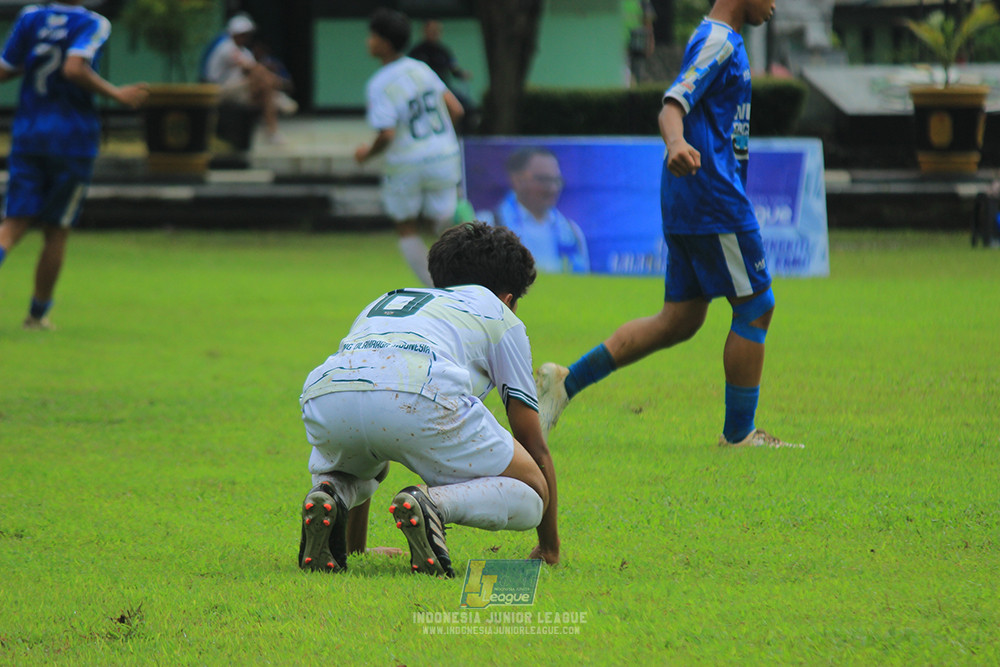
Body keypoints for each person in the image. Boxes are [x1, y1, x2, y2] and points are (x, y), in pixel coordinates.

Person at [535, 0, 803, 449]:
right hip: (712, 198)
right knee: (757, 306)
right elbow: (672, 104)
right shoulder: (718, 41)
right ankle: (739, 435)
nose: (775, 4)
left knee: (678, 320)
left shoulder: (720, 38)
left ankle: (564, 383)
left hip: (688, 197)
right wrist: (676, 142)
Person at [297, 222, 559, 577]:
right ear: (509, 299)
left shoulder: (388, 299)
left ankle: (333, 496)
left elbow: (369, 392)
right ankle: (432, 504)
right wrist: (548, 547)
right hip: (421, 393)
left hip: (326, 396)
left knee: (367, 450)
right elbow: (531, 441)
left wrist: (360, 549)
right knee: (533, 493)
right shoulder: (497, 312)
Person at [0, 0, 149, 331]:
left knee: (12, 225)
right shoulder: (92, 23)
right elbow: (73, 67)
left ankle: (38, 314)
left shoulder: (30, 18)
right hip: (72, 138)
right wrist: (117, 94)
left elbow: (5, 68)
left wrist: (36, 57)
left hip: (28, 131)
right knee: (57, 229)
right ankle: (37, 315)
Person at [355, 9, 464, 287]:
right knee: (445, 227)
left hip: (406, 162)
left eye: (373, 36)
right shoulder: (421, 69)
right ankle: (465, 283)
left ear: (384, 43)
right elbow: (456, 109)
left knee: (405, 226)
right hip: (444, 156)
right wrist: (437, 139)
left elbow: (387, 134)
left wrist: (366, 154)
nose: (368, 41)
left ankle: (437, 289)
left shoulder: (379, 84)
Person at [480, 147, 589, 274]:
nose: (552, 189)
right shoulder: (489, 224)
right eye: (543, 180)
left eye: (556, 181)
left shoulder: (571, 231)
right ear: (517, 180)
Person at [201, 13, 297, 145]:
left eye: (247, 34)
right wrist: (277, 81)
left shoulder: (245, 51)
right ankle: (277, 98)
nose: (246, 37)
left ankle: (272, 127)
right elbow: (251, 68)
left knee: (265, 91)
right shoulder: (226, 46)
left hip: (240, 89)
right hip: (219, 89)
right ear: (235, 33)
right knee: (264, 83)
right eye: (243, 34)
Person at [408, 20, 477, 132]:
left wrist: (462, 74)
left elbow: (454, 69)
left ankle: (461, 135)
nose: (435, 33)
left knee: (468, 108)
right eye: (432, 31)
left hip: (444, 89)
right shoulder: (416, 52)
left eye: (437, 31)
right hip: (422, 92)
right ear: (424, 31)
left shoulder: (443, 51)